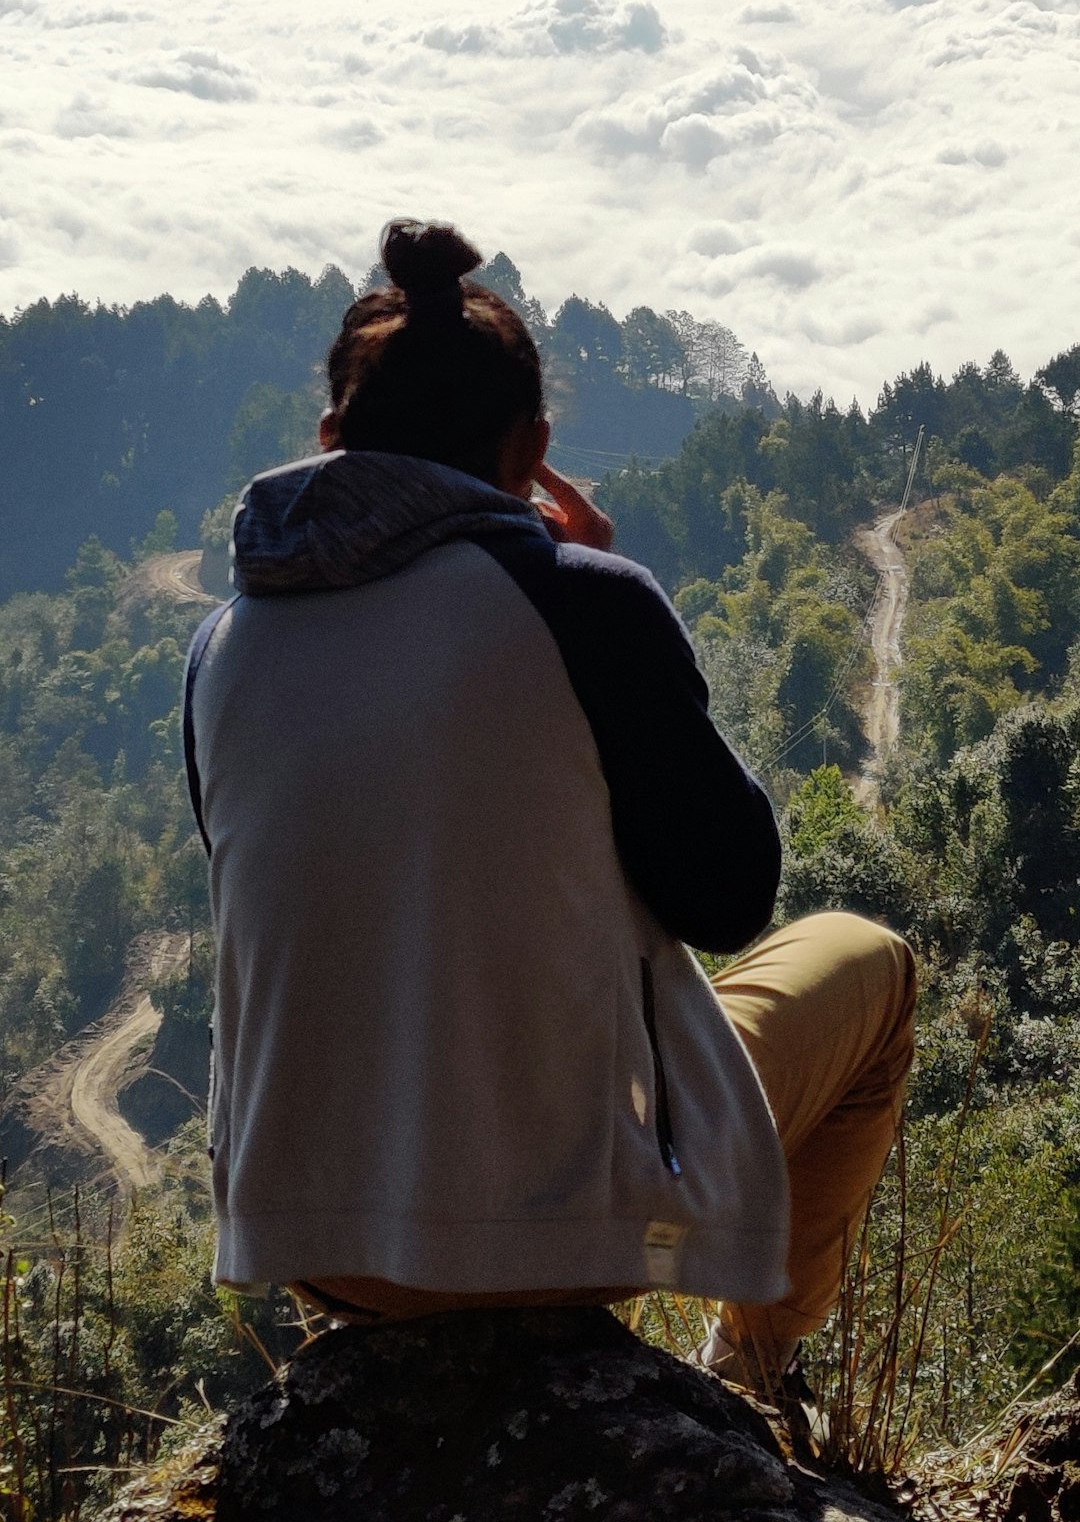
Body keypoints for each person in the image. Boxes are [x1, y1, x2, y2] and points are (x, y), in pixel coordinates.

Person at [183, 218, 915, 1391]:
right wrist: (611, 611)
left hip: (310, 1245)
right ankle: (754, 1376)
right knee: (872, 964)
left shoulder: (219, 647)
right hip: (554, 1231)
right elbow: (729, 895)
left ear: (330, 441)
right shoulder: (582, 603)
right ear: (534, 447)